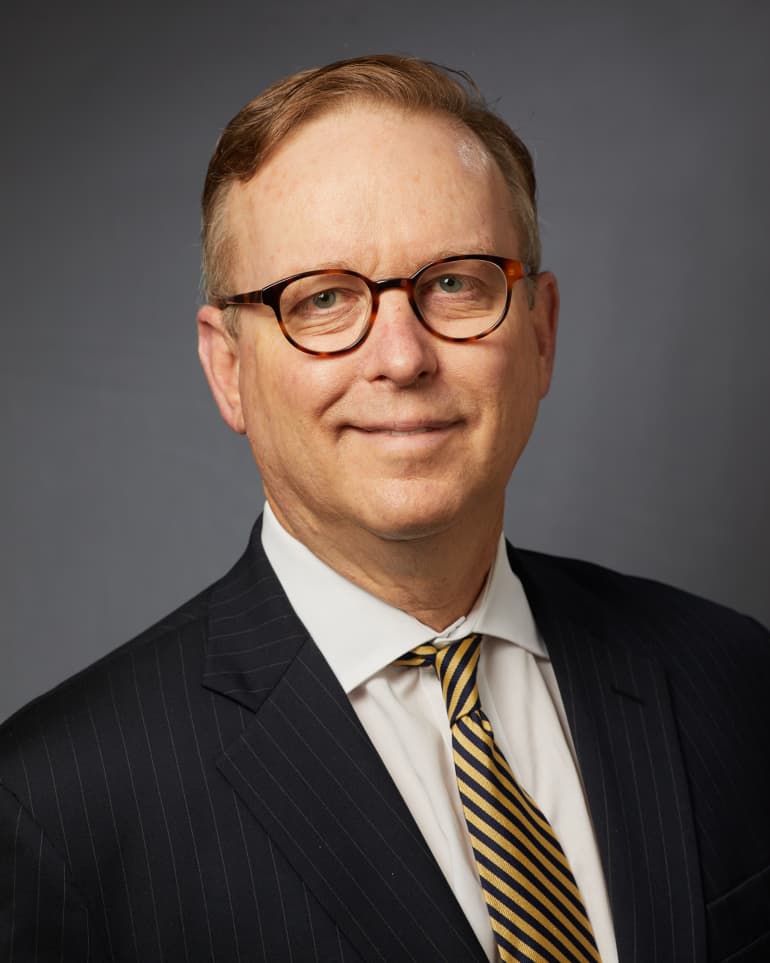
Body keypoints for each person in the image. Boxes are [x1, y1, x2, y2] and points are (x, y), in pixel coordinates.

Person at [1, 54, 768, 963]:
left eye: (455, 283)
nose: (402, 357)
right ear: (229, 368)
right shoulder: (56, 806)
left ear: (541, 332)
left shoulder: (732, 676)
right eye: (323, 300)